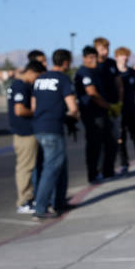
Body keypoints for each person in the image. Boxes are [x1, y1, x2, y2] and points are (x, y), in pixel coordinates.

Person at [31, 48, 79, 219]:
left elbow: (34, 107)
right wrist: (71, 116)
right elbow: (72, 107)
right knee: (51, 168)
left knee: (58, 165)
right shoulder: (63, 79)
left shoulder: (40, 79)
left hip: (38, 127)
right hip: (53, 127)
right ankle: (41, 207)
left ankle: (59, 201)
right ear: (66, 62)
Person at [8, 60, 46, 214]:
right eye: (37, 77)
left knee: (28, 167)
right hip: (25, 133)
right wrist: (37, 113)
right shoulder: (21, 86)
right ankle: (24, 201)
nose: (37, 80)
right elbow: (19, 110)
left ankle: (29, 198)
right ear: (31, 72)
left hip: (25, 132)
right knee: (25, 168)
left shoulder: (20, 85)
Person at [75, 46, 113, 183]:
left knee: (105, 142)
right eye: (90, 57)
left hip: (101, 112)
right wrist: (107, 105)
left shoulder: (97, 71)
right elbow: (92, 92)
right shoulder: (84, 72)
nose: (93, 60)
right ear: (84, 58)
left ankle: (104, 171)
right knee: (94, 144)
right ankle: (93, 173)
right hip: (91, 113)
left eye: (95, 57)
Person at [115, 46, 135, 173]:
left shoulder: (133, 73)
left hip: (131, 110)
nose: (125, 58)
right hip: (118, 110)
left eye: (127, 55)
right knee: (120, 138)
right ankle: (124, 163)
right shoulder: (114, 73)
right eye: (122, 55)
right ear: (117, 57)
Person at [93, 37, 123, 177]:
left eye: (107, 48)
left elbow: (119, 83)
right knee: (99, 141)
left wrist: (119, 102)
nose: (105, 51)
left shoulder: (111, 64)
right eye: (102, 48)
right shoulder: (93, 66)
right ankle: (97, 170)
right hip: (99, 109)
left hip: (114, 107)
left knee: (113, 139)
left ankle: (109, 169)